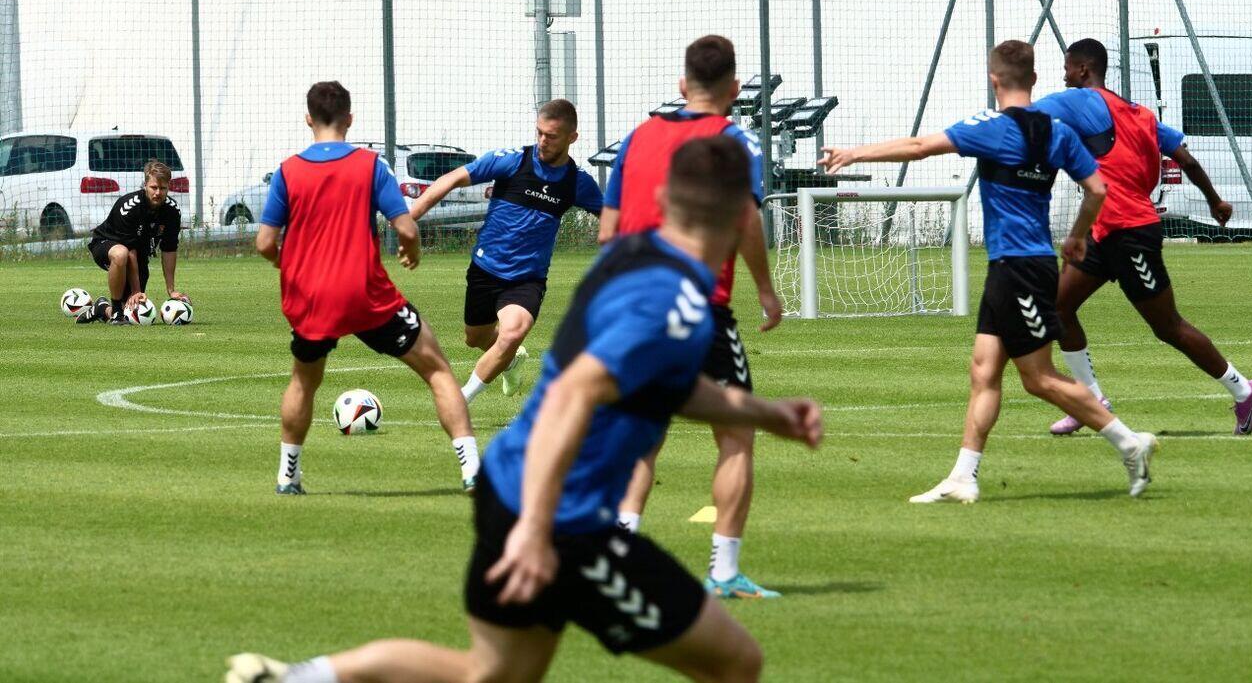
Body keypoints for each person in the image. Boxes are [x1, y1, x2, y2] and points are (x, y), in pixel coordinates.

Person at [225, 137, 823, 683]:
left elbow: (653, 384)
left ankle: (297, 678)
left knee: (490, 673)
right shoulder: (675, 296)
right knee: (737, 661)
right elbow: (577, 393)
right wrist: (537, 531)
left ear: (662, 199)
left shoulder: (634, 259)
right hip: (560, 520)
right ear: (743, 217)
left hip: (512, 487)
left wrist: (765, 415)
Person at [820, 39, 1157, 503]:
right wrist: (1078, 235)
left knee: (1038, 377)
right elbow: (1097, 189)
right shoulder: (1059, 132)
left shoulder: (992, 128)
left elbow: (919, 147)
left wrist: (854, 154)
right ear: (1034, 79)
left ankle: (1129, 442)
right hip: (1017, 266)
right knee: (983, 370)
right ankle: (963, 476)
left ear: (994, 79)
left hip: (1020, 268)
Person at [598, 35, 784, 599]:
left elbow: (607, 232)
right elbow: (746, 218)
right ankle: (723, 572)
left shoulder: (638, 136)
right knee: (736, 433)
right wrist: (766, 290)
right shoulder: (734, 140)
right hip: (699, 310)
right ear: (735, 89)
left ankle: (618, 555)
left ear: (682, 85)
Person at [254, 81, 479, 495]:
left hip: (312, 298)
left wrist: (290, 266)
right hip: (366, 294)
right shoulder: (371, 165)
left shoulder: (287, 171)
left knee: (303, 382)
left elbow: (265, 242)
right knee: (437, 371)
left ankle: (288, 476)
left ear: (308, 119)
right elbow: (406, 227)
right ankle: (472, 470)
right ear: (350, 119)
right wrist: (412, 251)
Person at [1030, 38, 1252, 435]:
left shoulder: (1081, 100)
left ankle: (1245, 391)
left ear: (1083, 70)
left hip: (1131, 233)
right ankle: (1090, 401)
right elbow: (1186, 158)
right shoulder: (1140, 113)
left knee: (1168, 327)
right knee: (1058, 307)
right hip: (1103, 232)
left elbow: (1026, 113)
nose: (1064, 76)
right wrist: (1215, 201)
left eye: (1067, 68)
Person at [408, 99, 603, 402]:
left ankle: (460, 400)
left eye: (551, 136)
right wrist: (409, 219)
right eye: (539, 132)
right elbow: (451, 179)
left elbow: (615, 217)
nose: (543, 141)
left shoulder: (577, 183)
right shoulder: (512, 161)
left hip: (527, 279)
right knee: (475, 338)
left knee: (512, 333)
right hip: (485, 270)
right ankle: (511, 362)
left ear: (572, 137)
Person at [86, 159, 189, 324]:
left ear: (168, 187)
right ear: (145, 185)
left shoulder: (172, 210)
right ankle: (116, 313)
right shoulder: (130, 206)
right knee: (121, 254)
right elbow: (130, 249)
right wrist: (136, 290)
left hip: (138, 256)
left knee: (132, 309)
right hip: (105, 244)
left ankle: (103, 309)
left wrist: (171, 290)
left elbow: (169, 249)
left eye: (163, 188)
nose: (158, 193)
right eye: (154, 187)